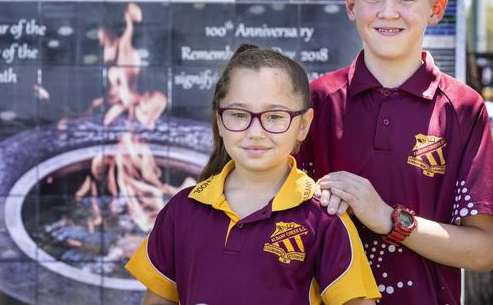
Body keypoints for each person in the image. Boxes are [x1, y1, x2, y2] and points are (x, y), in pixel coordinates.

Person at [296, 0, 493, 304]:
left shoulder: (464, 109)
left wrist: (387, 218)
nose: (388, 12)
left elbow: (483, 251)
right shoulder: (314, 102)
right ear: (351, 6)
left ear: (436, 9)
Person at [126, 44, 380, 305]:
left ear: (303, 125)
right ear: (219, 121)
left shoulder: (324, 218)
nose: (256, 132)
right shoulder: (182, 210)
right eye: (238, 114)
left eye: (274, 117)